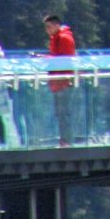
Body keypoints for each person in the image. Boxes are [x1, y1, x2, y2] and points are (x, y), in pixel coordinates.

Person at [44, 15, 78, 145]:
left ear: (57, 25)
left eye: (49, 27)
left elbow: (65, 60)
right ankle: (64, 140)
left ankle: (66, 141)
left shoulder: (63, 38)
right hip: (57, 81)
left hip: (63, 81)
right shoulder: (56, 38)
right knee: (61, 113)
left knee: (64, 113)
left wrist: (49, 61)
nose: (47, 30)